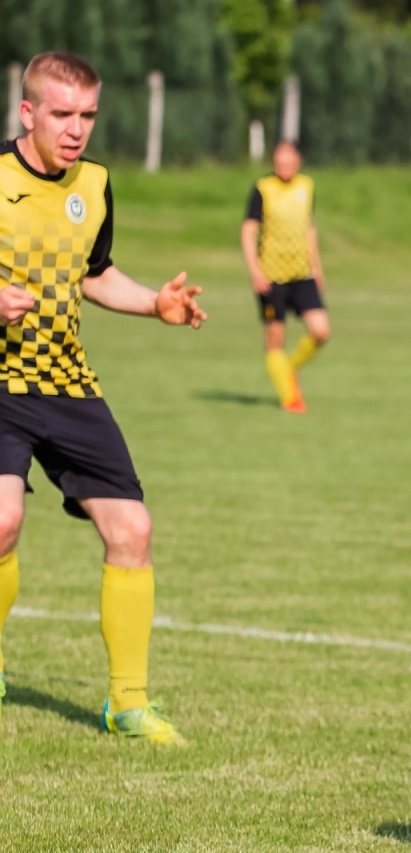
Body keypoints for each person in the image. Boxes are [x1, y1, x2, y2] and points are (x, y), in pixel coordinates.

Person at [0, 52, 206, 741]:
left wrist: (154, 304)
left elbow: (95, 272)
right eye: (62, 114)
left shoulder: (95, 183)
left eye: (88, 115)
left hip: (66, 383)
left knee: (133, 530)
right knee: (0, 521)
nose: (77, 129)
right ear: (27, 112)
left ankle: (127, 705)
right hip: (0, 382)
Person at [241, 140, 329, 413]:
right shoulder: (263, 189)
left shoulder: (307, 186)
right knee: (275, 339)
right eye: (280, 161)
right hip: (272, 277)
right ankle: (290, 397)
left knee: (321, 331)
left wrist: (317, 267)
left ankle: (288, 369)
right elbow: (248, 231)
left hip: (302, 273)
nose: (285, 166)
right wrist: (255, 270)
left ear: (299, 161)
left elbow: (309, 228)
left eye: (289, 161)